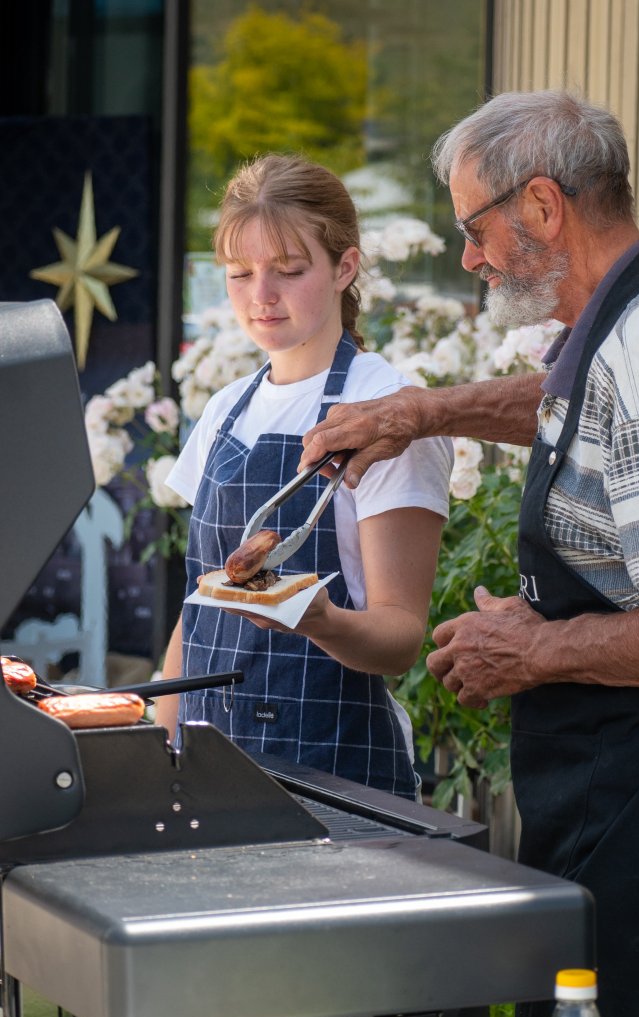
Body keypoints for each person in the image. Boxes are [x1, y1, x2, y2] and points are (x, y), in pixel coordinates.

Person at [299, 90, 639, 1017]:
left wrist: (535, 649)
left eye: (474, 229)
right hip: (623, 766)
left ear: (542, 209)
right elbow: (560, 397)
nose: (469, 258)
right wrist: (420, 411)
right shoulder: (628, 320)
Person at [155, 154, 453, 800]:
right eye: (239, 274)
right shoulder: (223, 410)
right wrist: (159, 748)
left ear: (345, 268)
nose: (261, 296)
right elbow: (197, 613)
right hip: (208, 775)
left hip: (336, 780)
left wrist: (319, 621)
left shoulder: (386, 410)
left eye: (289, 271)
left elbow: (401, 634)